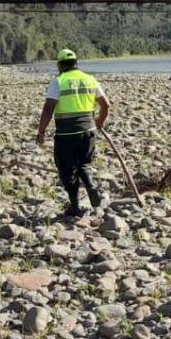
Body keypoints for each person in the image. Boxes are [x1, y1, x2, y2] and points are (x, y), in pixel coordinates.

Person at [36, 49, 110, 217]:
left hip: (66, 135)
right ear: (76, 63)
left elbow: (48, 108)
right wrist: (98, 123)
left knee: (66, 169)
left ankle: (75, 206)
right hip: (88, 131)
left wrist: (41, 132)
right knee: (82, 163)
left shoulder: (59, 81)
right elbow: (106, 106)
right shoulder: (90, 79)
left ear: (59, 65)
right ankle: (91, 186)